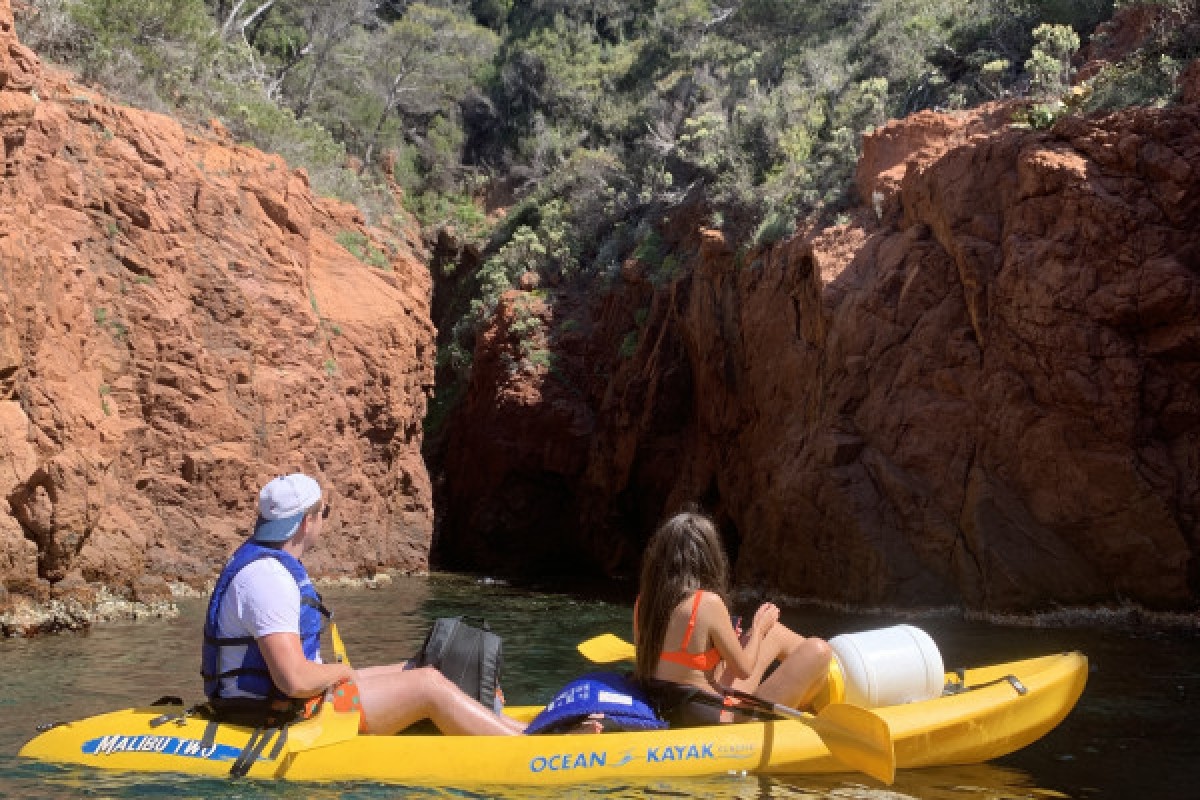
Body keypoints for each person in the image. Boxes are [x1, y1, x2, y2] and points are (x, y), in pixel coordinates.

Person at [201, 472, 523, 736]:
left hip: (292, 701)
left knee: (431, 667)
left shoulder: (267, 566)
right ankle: (523, 750)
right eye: (322, 514)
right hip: (277, 713)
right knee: (427, 684)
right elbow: (294, 680)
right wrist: (341, 671)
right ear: (306, 523)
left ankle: (523, 730)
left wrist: (342, 674)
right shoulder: (268, 577)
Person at [633, 509, 832, 726]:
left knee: (776, 633)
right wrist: (758, 628)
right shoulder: (708, 603)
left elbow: (672, 663)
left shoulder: (644, 602)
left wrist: (719, 650)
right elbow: (743, 670)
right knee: (818, 650)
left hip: (665, 703)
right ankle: (822, 695)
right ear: (708, 557)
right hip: (712, 717)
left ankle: (815, 689)